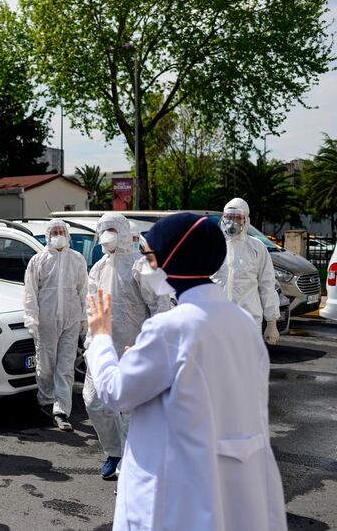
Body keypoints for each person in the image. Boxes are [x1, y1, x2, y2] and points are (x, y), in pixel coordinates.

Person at [85, 213, 287, 531]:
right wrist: (142, 359)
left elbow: (115, 392)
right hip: (233, 485)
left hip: (175, 497)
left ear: (171, 259)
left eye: (150, 256)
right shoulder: (242, 323)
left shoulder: (171, 329)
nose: (145, 265)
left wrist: (99, 336)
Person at [83, 213, 169, 480]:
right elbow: (92, 309)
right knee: (94, 402)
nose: (107, 236)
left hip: (134, 347)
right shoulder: (97, 268)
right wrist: (90, 342)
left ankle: (131, 459)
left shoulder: (143, 265)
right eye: (103, 230)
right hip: (104, 347)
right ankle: (114, 451)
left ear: (122, 231)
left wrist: (152, 344)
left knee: (131, 409)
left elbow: (162, 304)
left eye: (111, 229)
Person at [23, 219, 88, 431]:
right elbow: (30, 293)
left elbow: (83, 291)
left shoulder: (77, 260)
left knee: (66, 366)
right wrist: (31, 318)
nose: (58, 234)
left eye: (61, 231)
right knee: (46, 365)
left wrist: (83, 318)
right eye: (54, 231)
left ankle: (61, 411)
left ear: (66, 234)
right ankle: (46, 402)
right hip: (46, 321)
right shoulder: (38, 260)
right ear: (48, 235)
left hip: (70, 319)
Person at [212, 197, 280, 345]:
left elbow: (267, 285)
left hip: (247, 323)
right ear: (223, 218)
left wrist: (271, 322)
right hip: (215, 323)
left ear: (246, 220)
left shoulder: (256, 248)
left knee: (247, 366)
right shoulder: (212, 246)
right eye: (228, 217)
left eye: (237, 217)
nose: (232, 222)